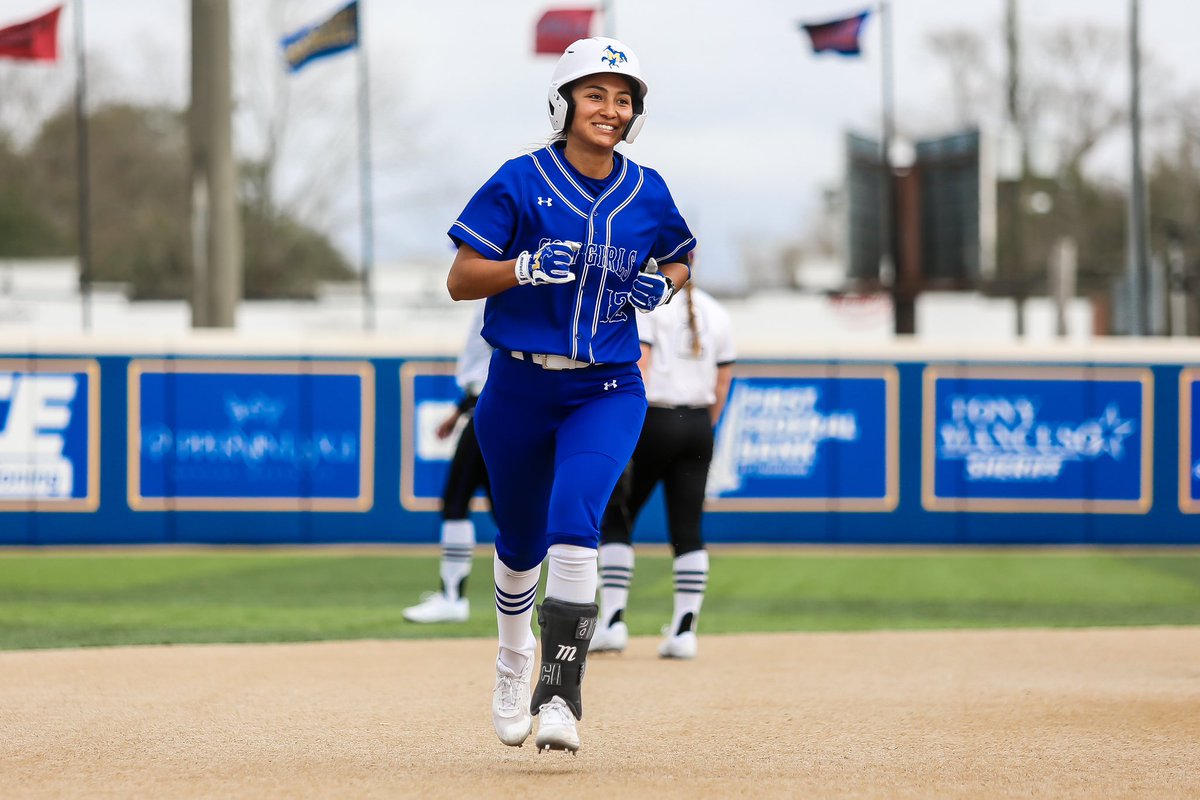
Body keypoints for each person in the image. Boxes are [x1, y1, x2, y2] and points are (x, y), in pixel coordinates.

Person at [445, 36, 695, 754]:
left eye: (624, 99)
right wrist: (521, 267)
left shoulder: (646, 188)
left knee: (574, 520)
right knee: (521, 543)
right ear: (564, 102)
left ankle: (560, 695)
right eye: (596, 95)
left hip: (607, 385)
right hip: (518, 385)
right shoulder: (520, 179)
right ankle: (512, 660)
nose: (610, 110)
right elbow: (462, 277)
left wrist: (666, 283)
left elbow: (680, 253)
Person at [590, 282, 735, 659]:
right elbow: (722, 384)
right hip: (699, 424)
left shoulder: (649, 304)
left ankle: (613, 623)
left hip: (652, 420)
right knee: (688, 529)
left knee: (615, 519)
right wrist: (703, 427)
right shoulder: (716, 311)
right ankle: (684, 631)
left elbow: (641, 366)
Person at [403, 302, 492, 624]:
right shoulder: (499, 289)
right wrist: (458, 412)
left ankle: (452, 597)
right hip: (485, 406)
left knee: (456, 500)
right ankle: (573, 584)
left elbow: (501, 365)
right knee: (510, 515)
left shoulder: (506, 287)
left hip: (490, 408)